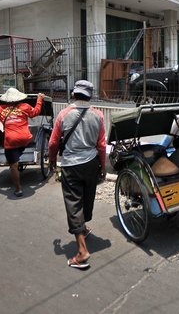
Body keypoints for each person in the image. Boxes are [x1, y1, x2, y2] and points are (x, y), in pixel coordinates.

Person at [48, 80, 106, 269]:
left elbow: (53, 143)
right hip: (91, 163)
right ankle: (84, 227)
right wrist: (103, 166)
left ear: (74, 94)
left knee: (73, 203)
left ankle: (82, 252)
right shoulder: (98, 115)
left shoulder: (64, 114)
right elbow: (101, 145)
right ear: (90, 96)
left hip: (71, 165)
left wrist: (51, 162)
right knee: (88, 196)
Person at [0, 88, 44, 197]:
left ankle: (18, 189)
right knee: (18, 144)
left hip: (11, 141)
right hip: (25, 139)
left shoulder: (0, 109)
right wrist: (39, 99)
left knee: (13, 166)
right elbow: (36, 112)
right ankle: (18, 157)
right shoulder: (25, 106)